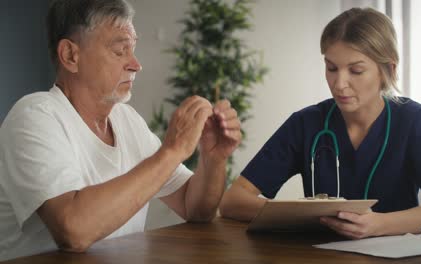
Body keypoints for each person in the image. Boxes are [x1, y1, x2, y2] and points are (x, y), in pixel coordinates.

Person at [0, 0, 241, 261]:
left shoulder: (128, 120)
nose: (135, 64)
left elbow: (194, 208)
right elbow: (73, 231)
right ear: (71, 55)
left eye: (132, 49)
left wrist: (213, 159)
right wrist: (172, 150)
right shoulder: (34, 116)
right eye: (120, 51)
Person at [220, 7, 421, 239]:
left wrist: (378, 225)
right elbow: (234, 201)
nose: (339, 83)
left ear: (388, 69)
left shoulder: (416, 121)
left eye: (355, 71)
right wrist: (315, 217)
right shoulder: (305, 123)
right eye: (331, 68)